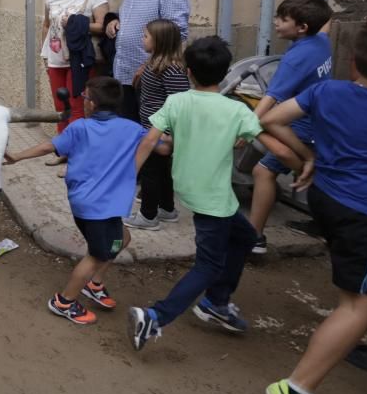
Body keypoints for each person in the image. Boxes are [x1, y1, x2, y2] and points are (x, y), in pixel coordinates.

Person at [259, 24, 367, 394]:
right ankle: (298, 390)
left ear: (355, 62)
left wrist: (309, 155)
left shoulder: (328, 92)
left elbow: (269, 117)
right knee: (359, 306)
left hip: (325, 199)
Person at [127, 37, 298, 352]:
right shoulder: (236, 110)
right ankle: (155, 317)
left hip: (194, 189)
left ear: (189, 71)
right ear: (223, 74)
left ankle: (217, 301)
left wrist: (127, 181)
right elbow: (276, 149)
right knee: (208, 265)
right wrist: (307, 162)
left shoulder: (177, 102)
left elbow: (150, 141)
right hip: (213, 201)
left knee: (245, 237)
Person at [5, 77, 148, 325]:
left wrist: (17, 156)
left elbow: (46, 147)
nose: (83, 101)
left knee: (122, 239)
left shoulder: (80, 127)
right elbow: (161, 144)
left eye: (84, 97)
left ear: (92, 103)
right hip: (94, 207)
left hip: (100, 205)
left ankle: (93, 284)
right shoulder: (132, 129)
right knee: (96, 254)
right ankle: (64, 301)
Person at [247, 0, 333, 255]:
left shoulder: (295, 59)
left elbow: (272, 97)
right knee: (299, 170)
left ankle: (254, 238)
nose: (275, 22)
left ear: (302, 27)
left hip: (301, 125)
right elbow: (328, 20)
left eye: (283, 19)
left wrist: (246, 124)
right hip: (319, 120)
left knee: (263, 171)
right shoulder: (321, 40)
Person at [106, 0, 190, 121]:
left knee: (148, 130)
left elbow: (177, 33)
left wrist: (148, 65)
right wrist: (117, 21)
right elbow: (138, 20)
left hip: (151, 77)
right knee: (130, 128)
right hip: (125, 75)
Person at [123, 19, 190, 230]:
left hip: (160, 133)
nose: (142, 39)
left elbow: (180, 103)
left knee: (150, 172)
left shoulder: (172, 70)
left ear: (159, 41)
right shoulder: (155, 64)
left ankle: (148, 216)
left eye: (145, 36)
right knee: (161, 172)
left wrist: (168, 135)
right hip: (151, 128)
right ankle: (167, 209)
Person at [41, 0, 109, 134]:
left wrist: (74, 22)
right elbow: (47, 25)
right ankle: (63, 148)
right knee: (60, 105)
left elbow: (103, 27)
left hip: (79, 58)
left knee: (76, 105)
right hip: (55, 57)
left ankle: (76, 150)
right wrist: (44, 55)